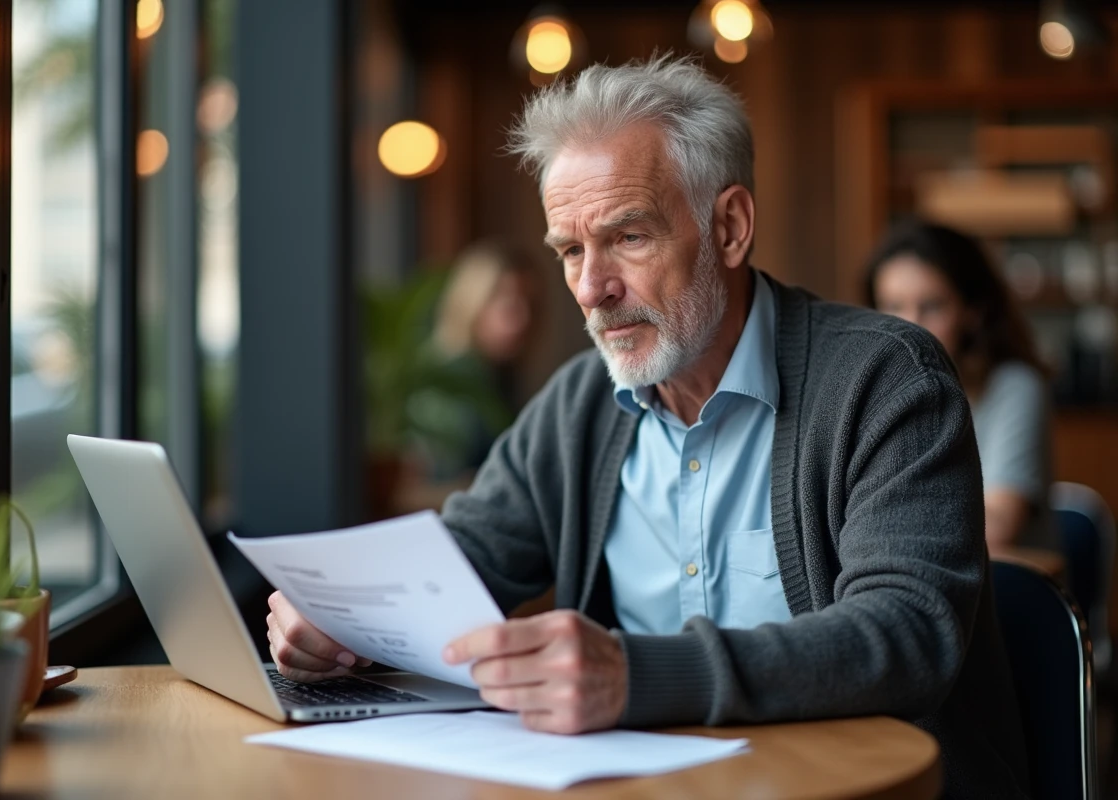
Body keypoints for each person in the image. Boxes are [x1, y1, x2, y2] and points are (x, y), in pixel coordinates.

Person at [267, 56, 1029, 797]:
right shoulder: (579, 405)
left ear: (729, 227)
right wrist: (343, 619)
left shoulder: (887, 378)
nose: (592, 289)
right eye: (570, 250)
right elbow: (460, 561)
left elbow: (908, 633)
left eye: (628, 237)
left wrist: (637, 676)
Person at [865, 221, 1055, 553]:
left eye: (932, 306)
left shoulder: (1014, 389)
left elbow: (997, 527)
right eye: (894, 307)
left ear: (973, 312)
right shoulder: (875, 395)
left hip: (1005, 594)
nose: (911, 327)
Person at [429, 241, 539, 476]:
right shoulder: (446, 384)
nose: (524, 318)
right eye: (509, 305)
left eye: (532, 304)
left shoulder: (503, 378)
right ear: (472, 304)